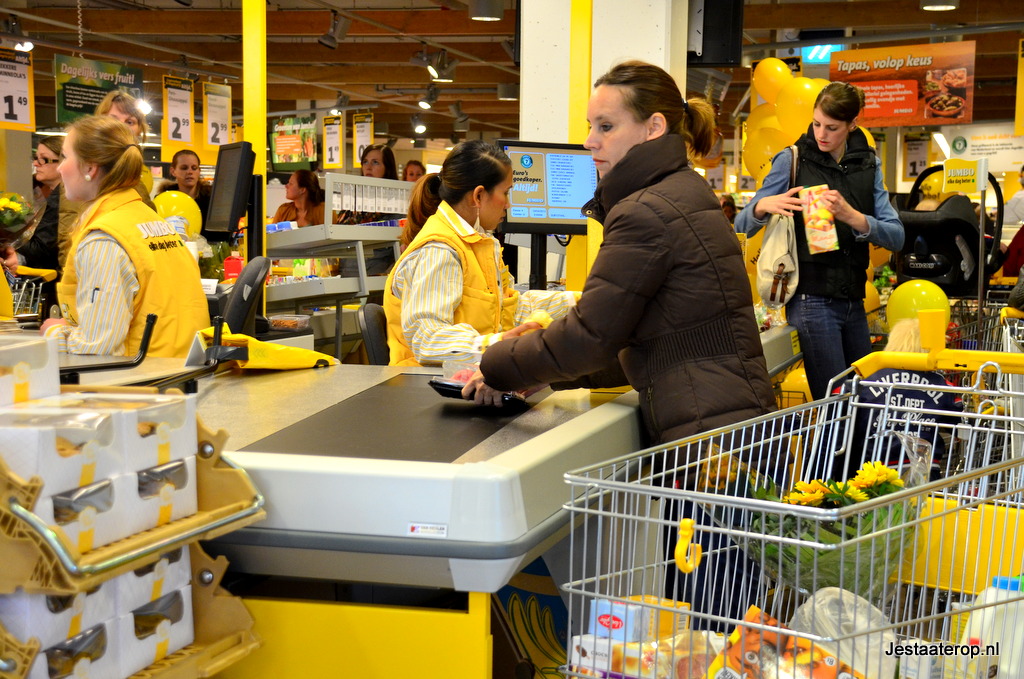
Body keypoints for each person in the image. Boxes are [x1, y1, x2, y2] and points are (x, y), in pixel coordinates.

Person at [465, 61, 776, 444]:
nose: (589, 141)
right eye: (591, 126)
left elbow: (589, 339)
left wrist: (497, 362)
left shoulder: (645, 211)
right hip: (726, 415)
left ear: (654, 127)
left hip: (704, 431)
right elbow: (644, 341)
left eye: (606, 126)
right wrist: (541, 371)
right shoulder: (683, 191)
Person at [735, 81, 904, 400]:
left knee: (866, 400)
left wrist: (853, 217)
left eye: (832, 127)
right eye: (816, 124)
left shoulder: (869, 163)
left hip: (854, 301)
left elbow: (896, 236)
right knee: (836, 402)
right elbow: (740, 225)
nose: (821, 134)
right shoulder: (792, 159)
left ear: (853, 124)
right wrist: (761, 206)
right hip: (811, 300)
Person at [382, 139, 578, 366]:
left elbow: (510, 309)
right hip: (425, 382)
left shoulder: (479, 244)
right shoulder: (439, 251)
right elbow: (428, 339)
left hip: (468, 375)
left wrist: (578, 302)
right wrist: (496, 345)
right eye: (506, 193)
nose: (508, 204)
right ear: (478, 196)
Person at [41, 115, 209, 358]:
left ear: (89, 168)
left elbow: (98, 348)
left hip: (142, 376)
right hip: (179, 369)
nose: (59, 168)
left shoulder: (104, 239)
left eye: (65, 157)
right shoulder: (148, 219)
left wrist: (54, 332)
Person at [836, 318, 962, 480]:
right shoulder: (942, 386)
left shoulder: (864, 383)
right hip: (924, 474)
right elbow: (961, 426)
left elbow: (839, 426)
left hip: (872, 473)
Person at [3, 137, 64, 278]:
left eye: (44, 159)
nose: (35, 163)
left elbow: (41, 249)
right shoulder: (54, 197)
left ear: (64, 162)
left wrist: (8, 237)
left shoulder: (61, 199)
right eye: (35, 158)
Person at [157, 149, 212, 228]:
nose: (190, 172)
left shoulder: (211, 201)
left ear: (199, 171)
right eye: (184, 168)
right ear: (173, 171)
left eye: (194, 168)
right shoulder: (163, 201)